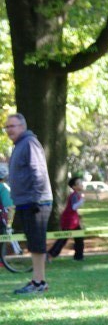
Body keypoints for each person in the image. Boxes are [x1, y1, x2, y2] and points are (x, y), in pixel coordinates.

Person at [5, 113, 53, 294]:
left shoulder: (30, 142)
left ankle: (40, 283)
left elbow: (38, 171)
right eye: (7, 127)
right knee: (33, 243)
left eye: (13, 126)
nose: (10, 129)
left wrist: (36, 198)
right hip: (24, 201)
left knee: (37, 242)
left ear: (22, 126)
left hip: (36, 201)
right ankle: (36, 281)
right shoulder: (19, 145)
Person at [47, 176, 85, 261]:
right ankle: (50, 255)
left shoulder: (76, 195)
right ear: (74, 187)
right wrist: (81, 201)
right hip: (69, 221)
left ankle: (79, 257)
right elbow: (74, 207)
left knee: (79, 238)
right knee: (63, 239)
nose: (81, 184)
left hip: (73, 221)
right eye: (79, 183)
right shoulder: (74, 195)